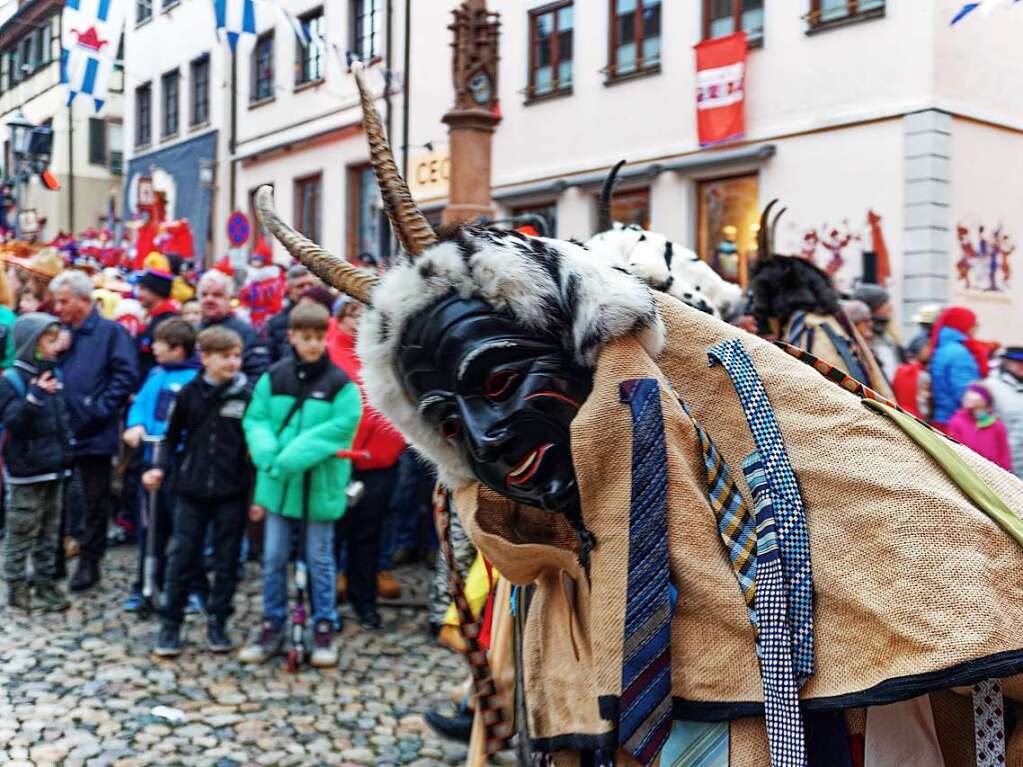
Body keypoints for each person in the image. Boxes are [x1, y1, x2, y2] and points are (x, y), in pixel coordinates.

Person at [255, 70, 1023, 764]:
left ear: (599, 352)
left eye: (498, 381)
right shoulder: (542, 552)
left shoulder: (805, 461)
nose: (485, 437)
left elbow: (957, 586)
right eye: (448, 425)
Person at [239, 303, 360, 667]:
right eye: (306, 338)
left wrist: (290, 456)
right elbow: (256, 419)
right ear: (291, 337)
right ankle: (272, 622)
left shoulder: (340, 384)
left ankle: (324, 622)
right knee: (274, 557)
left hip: (317, 486)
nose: (313, 345)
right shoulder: (274, 377)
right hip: (279, 486)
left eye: (319, 338)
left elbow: (341, 427)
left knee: (319, 558)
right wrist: (266, 453)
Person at [149, 326, 254, 657]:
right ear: (205, 358)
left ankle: (218, 621)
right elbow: (170, 436)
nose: (232, 363)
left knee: (226, 561)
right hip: (191, 489)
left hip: (231, 491)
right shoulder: (189, 393)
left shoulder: (245, 396)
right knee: (183, 557)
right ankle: (171, 624)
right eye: (225, 357)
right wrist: (160, 468)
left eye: (236, 356)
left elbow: (254, 444)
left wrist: (255, 493)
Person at [52, 270, 139, 592]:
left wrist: (99, 409)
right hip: (58, 430)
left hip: (95, 431)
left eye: (64, 301)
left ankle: (90, 562)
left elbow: (125, 376)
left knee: (94, 501)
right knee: (56, 500)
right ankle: (54, 560)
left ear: (83, 300)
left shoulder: (110, 333)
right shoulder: (59, 332)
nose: (58, 308)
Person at [327, 299, 406, 614]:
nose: (359, 322)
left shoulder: (387, 352)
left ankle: (365, 601)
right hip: (339, 460)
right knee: (333, 535)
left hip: (380, 459)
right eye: (352, 315)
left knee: (368, 535)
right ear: (341, 318)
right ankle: (327, 603)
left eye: (365, 315)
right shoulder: (330, 352)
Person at [121, 318, 200, 612]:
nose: (153, 348)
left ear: (178, 350)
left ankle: (187, 588)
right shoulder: (155, 375)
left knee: (183, 530)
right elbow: (140, 405)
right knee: (149, 528)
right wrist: (136, 425)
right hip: (151, 460)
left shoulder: (194, 380)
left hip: (180, 465)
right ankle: (145, 584)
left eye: (160, 344)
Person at [0, 313, 74, 611]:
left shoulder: (53, 374)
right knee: (21, 532)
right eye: (49, 339)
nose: (55, 345)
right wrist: (34, 398)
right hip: (27, 471)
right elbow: (14, 423)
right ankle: (16, 588)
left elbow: (61, 420)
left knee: (49, 532)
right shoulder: (11, 381)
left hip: (54, 468)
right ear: (32, 343)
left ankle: (46, 585)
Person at [197, 269, 270, 381]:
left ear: (228, 299)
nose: (209, 299)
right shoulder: (192, 331)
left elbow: (257, 373)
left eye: (217, 295)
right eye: (204, 294)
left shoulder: (246, 333)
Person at [929, 306, 988, 429]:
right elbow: (966, 394)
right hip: (955, 423)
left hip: (941, 417)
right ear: (963, 325)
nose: (975, 329)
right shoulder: (959, 353)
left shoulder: (943, 347)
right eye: (973, 325)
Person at [947, 383, 1013, 471]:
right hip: (968, 470)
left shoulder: (996, 425)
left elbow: (1004, 454)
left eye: (974, 392)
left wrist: (1007, 472)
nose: (968, 395)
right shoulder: (957, 421)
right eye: (968, 392)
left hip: (994, 473)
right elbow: (954, 449)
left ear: (985, 400)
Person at [265, 264, 318, 363]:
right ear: (289, 291)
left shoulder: (329, 316)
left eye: (311, 285)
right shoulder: (276, 323)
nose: (307, 289)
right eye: (300, 286)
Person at [852, 283, 903, 382]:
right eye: (885, 303)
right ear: (872, 306)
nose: (890, 307)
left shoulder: (888, 337)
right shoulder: (861, 340)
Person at [986, 346, 1023, 480]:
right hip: (1000, 465)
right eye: (1017, 362)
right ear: (1006, 362)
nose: (1021, 366)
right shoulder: (990, 387)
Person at [134, 270, 179, 378]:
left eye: (143, 289)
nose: (138, 294)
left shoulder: (168, 321)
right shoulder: (151, 317)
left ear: (156, 291)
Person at [891, 335, 932, 420]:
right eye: (927, 347)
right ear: (919, 350)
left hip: (900, 412)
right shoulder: (922, 374)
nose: (930, 351)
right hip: (916, 416)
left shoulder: (900, 369)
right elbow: (923, 404)